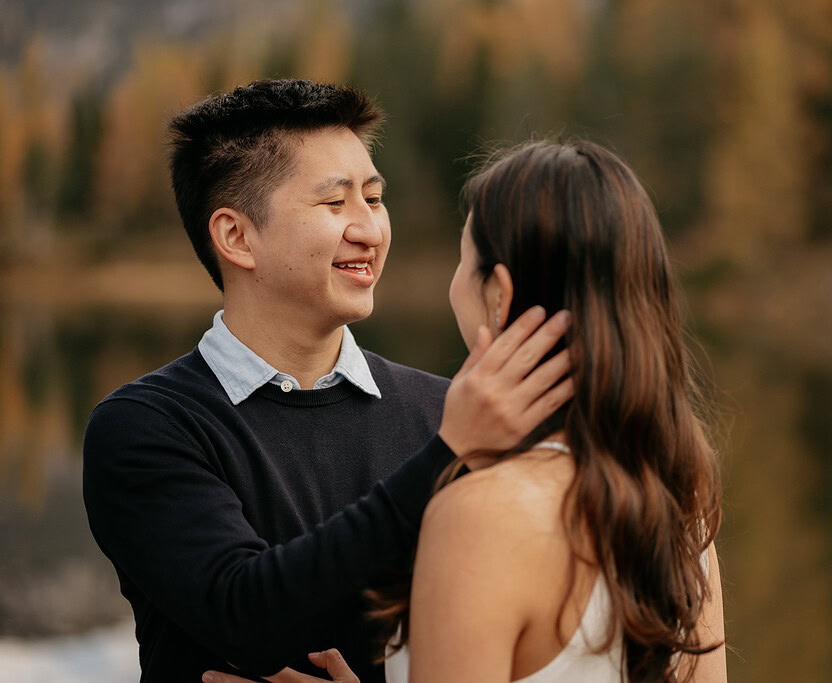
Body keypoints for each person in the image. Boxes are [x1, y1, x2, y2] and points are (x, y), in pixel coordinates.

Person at [82, 80, 573, 683]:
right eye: (335, 203)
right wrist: (449, 454)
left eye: (375, 198)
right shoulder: (147, 427)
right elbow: (243, 613)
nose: (370, 229)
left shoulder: (444, 410)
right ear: (236, 237)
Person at [208, 139, 727, 683]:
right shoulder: (676, 497)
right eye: (335, 202)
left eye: (463, 259)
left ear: (499, 295)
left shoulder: (480, 515)